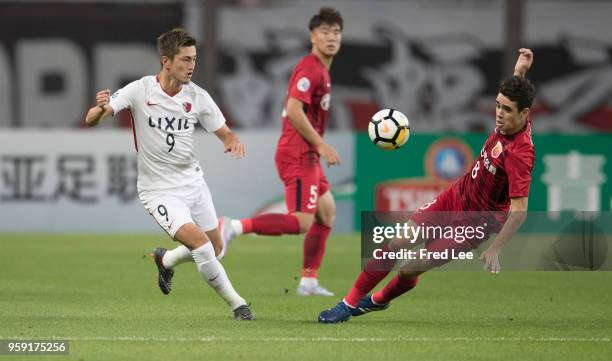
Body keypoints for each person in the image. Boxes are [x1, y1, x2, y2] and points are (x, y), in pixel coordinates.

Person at [319, 48, 536, 323]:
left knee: (410, 268)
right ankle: (346, 305)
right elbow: (514, 94)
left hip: (475, 223)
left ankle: (377, 300)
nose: (499, 114)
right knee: (396, 242)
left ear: (524, 113)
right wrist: (520, 71)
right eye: (497, 105)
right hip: (455, 197)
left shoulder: (521, 153)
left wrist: (496, 248)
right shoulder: (513, 117)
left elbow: (520, 210)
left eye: (506, 110)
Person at [163, 7, 344, 296]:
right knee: (301, 222)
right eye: (325, 31)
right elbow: (295, 111)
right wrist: (321, 144)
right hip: (299, 153)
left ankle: (309, 281)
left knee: (327, 212)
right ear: (312, 36)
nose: (331, 37)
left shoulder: (321, 69)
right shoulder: (311, 69)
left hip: (306, 154)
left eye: (336, 32)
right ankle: (234, 226)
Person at [84, 28, 254, 321]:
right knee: (201, 246)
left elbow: (225, 132)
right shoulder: (140, 90)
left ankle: (166, 259)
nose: (191, 66)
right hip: (158, 190)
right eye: (185, 60)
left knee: (216, 248)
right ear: (166, 62)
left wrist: (232, 141)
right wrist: (100, 110)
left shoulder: (197, 96)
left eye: (194, 59)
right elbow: (92, 120)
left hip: (192, 182)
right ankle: (239, 305)